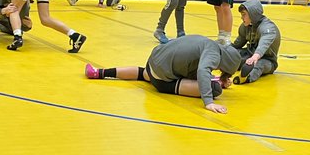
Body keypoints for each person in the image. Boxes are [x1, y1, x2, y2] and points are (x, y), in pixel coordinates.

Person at [83, 35, 244, 113]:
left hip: (153, 63)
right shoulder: (214, 54)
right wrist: (208, 102)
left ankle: (99, 72)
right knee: (214, 88)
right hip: (162, 80)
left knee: (142, 73)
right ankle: (213, 89)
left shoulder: (207, 42)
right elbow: (202, 71)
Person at [231, 0, 280, 84]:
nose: (241, 17)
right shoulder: (245, 26)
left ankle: (246, 77)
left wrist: (255, 57)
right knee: (233, 53)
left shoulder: (268, 28)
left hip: (267, 60)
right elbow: (237, 44)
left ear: (252, 14)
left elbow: (263, 45)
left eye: (244, 14)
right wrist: (224, 51)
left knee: (259, 65)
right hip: (250, 54)